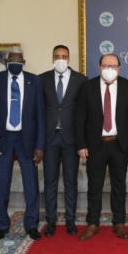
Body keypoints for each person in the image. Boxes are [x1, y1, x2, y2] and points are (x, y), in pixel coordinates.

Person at [75, 54, 128, 241]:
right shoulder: (87, 87)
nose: (109, 69)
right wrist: (81, 144)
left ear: (120, 68)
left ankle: (118, 222)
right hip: (95, 145)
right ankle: (93, 223)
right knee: (94, 186)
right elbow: (80, 117)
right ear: (99, 67)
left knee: (119, 185)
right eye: (105, 65)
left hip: (120, 144)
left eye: (113, 66)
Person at [0, 47, 45, 241]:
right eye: (12, 60)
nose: (15, 63)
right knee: (1, 185)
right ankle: (2, 225)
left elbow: (40, 115)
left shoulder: (35, 81)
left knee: (31, 185)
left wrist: (40, 146)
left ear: (24, 63)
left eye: (19, 61)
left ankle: (31, 224)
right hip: (2, 140)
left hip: (27, 139)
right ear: (6, 62)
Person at [40, 45, 86, 236]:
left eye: (64, 56)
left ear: (69, 59)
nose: (60, 59)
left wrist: (83, 141)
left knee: (70, 181)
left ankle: (70, 220)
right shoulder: (42, 79)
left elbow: (84, 111)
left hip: (71, 138)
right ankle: (50, 221)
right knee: (50, 181)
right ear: (52, 58)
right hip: (50, 138)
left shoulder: (80, 80)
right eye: (57, 56)